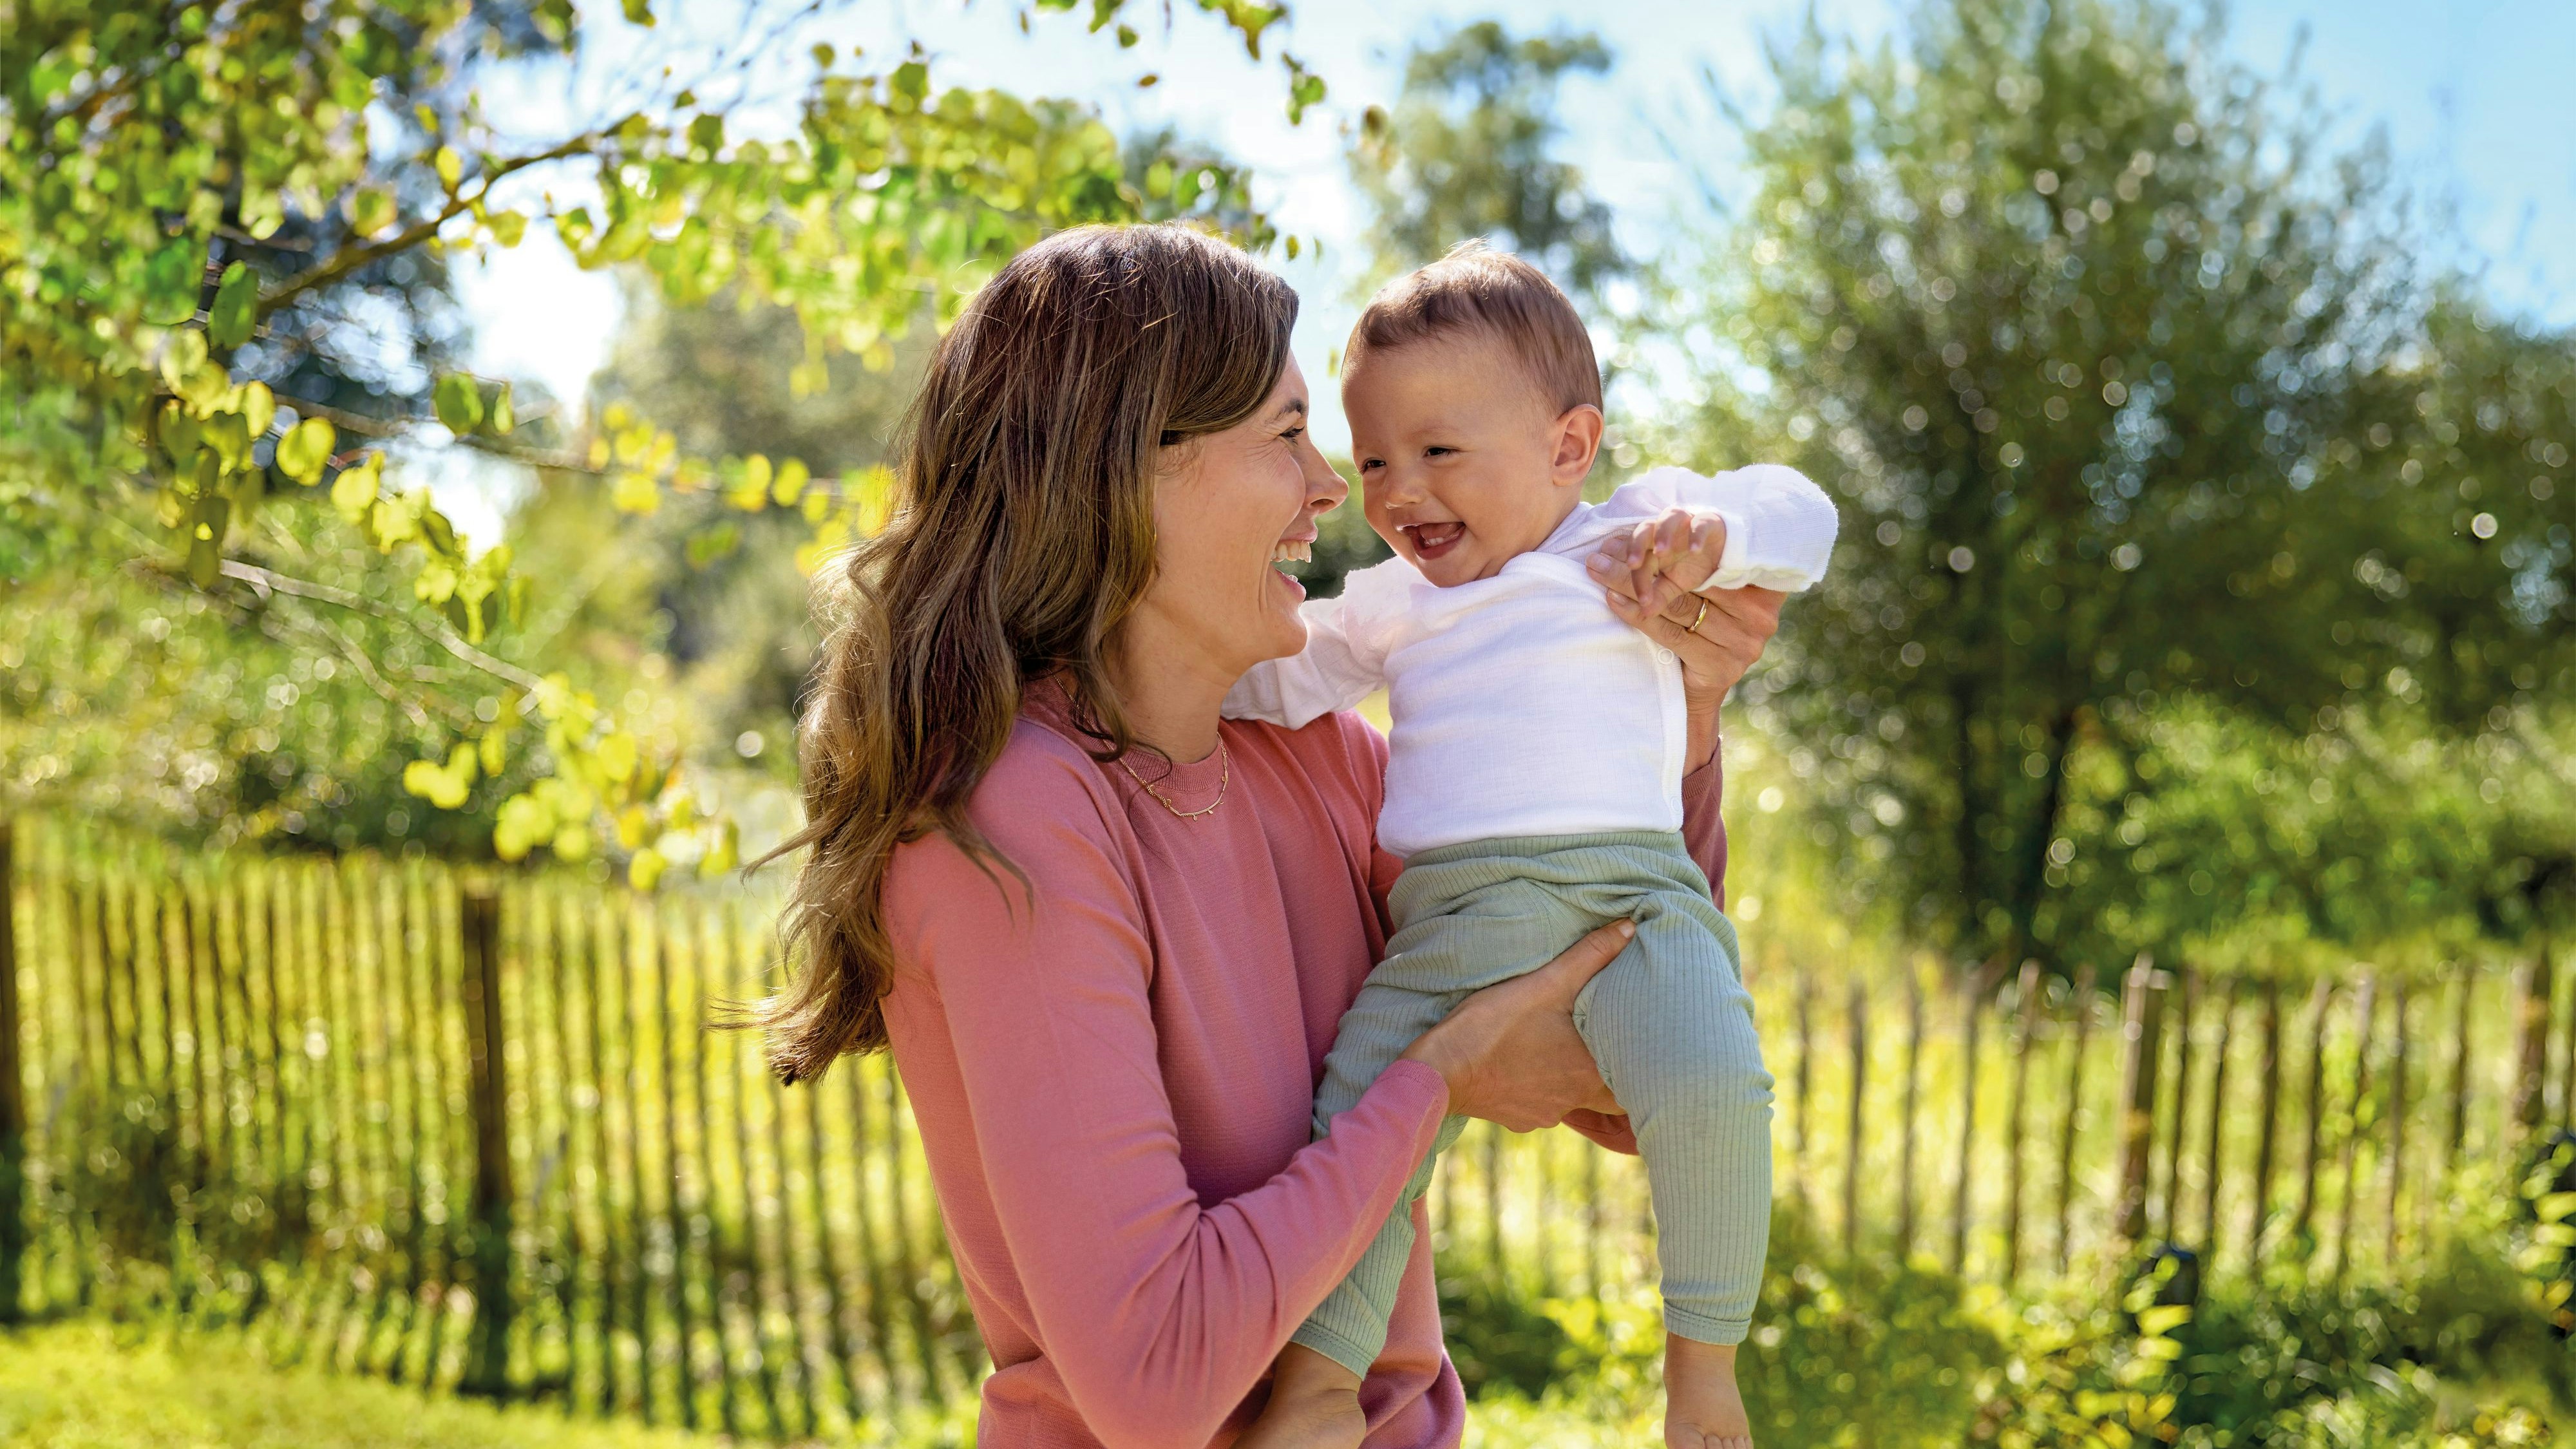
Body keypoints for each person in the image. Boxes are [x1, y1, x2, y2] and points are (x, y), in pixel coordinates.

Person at [759, 222, 1786, 1448]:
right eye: (1288, 435)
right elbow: (1156, 1380)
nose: (1334, 489)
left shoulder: (1327, 763)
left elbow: (1631, 1076)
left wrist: (1684, 724)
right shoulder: (1008, 822)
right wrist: (1436, 1078)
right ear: (1122, 468)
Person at [1225, 243, 1835, 1449]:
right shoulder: (1399, 600)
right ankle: (1318, 1380)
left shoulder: (1630, 537)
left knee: (1717, 1083)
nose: (1400, 491)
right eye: (1378, 459)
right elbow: (1266, 677)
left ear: (1568, 447)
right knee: (1365, 1119)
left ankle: (1703, 1365)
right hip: (1454, 920)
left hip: (1636, 896)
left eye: (1439, 451)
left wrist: (1720, 529)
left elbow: (1807, 515)